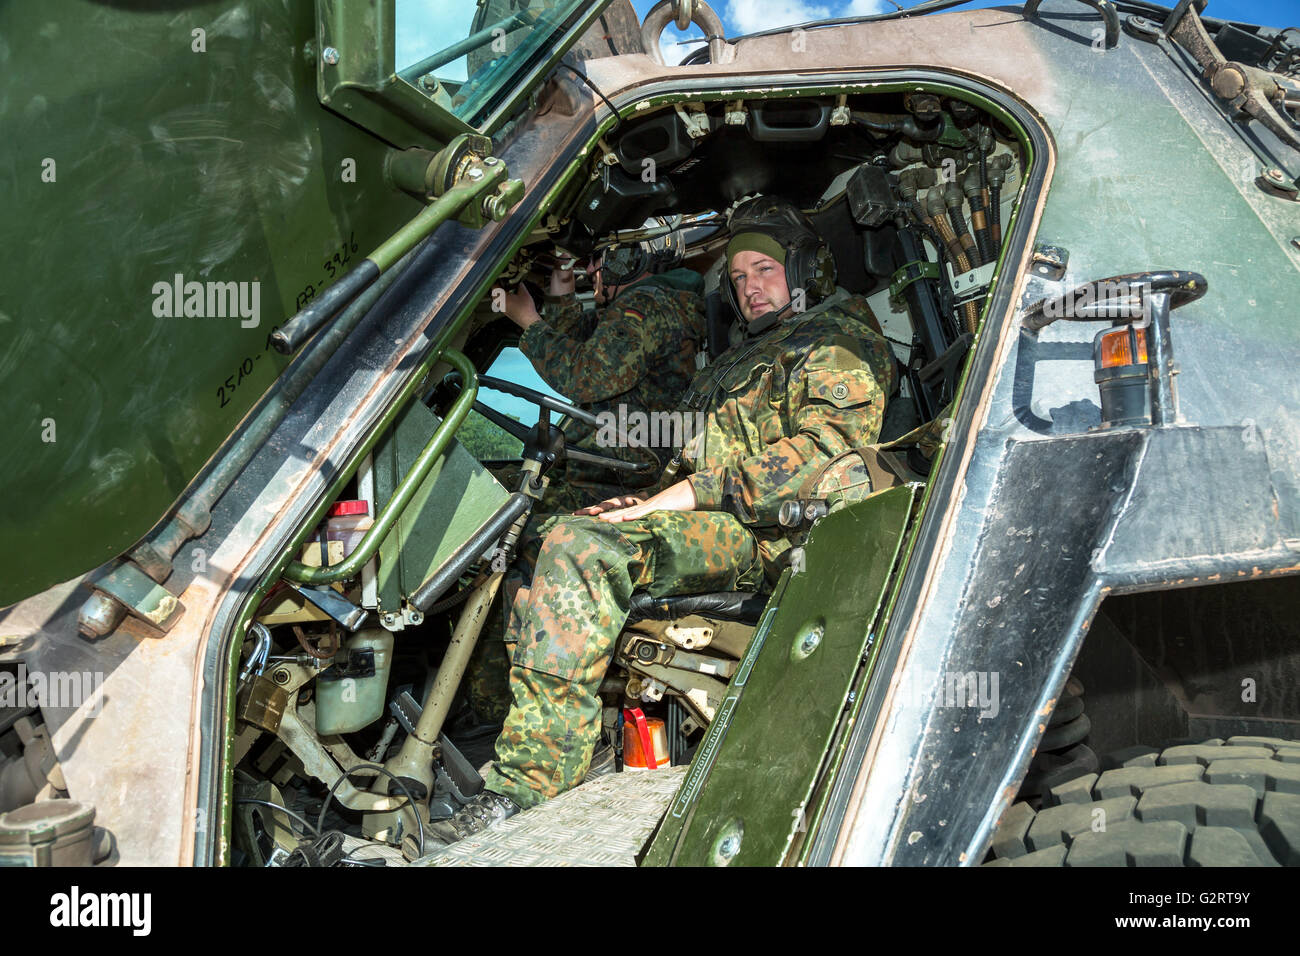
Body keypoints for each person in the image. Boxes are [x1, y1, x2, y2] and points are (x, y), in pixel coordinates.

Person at [433, 196, 896, 843]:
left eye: (763, 270)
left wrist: (671, 500)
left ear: (803, 269)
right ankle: (546, 728)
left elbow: (819, 459)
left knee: (579, 547)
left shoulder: (837, 338)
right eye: (738, 278)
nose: (749, 288)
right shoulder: (750, 353)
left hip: (773, 532)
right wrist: (646, 499)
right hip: (718, 517)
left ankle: (526, 788)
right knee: (556, 534)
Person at [461, 234, 708, 724]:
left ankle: (504, 706)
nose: (592, 272)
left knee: (513, 541)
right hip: (604, 464)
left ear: (631, 257)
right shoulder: (639, 306)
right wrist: (558, 295)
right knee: (495, 514)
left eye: (598, 262)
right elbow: (583, 348)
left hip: (622, 474)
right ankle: (490, 701)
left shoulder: (650, 304)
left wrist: (526, 320)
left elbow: (588, 375)